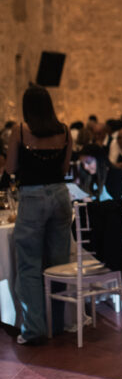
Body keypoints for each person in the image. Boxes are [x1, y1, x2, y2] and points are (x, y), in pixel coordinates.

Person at [5, 86, 73, 345]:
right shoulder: (65, 131)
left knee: (29, 265)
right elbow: (65, 168)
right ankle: (57, 325)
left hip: (32, 197)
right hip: (60, 195)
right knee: (59, 264)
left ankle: (34, 329)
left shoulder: (20, 131)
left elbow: (10, 167)